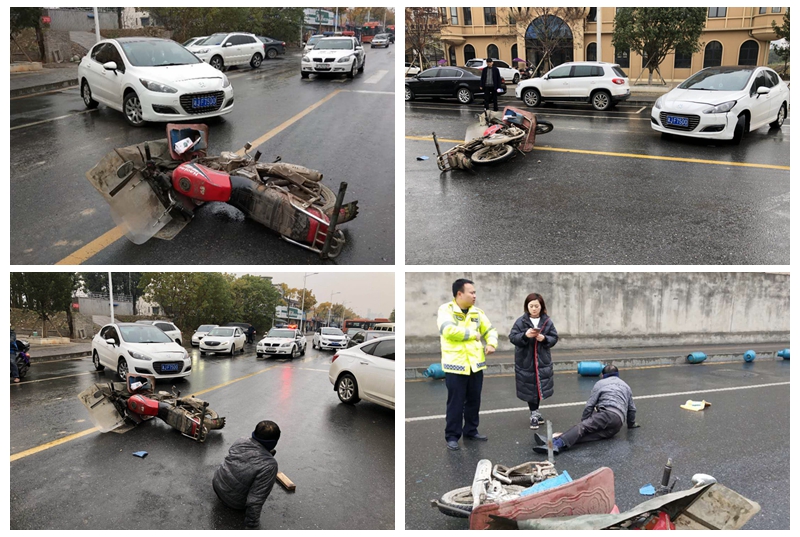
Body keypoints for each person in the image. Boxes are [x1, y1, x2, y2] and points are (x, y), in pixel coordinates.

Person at [438, 278, 499, 451]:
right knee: (455, 403)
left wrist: (491, 343)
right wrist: (473, 334)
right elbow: (448, 330)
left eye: (474, 293)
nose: (474, 296)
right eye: (471, 292)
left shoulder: (477, 313)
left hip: (475, 365)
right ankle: (452, 436)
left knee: (474, 401)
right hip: (455, 365)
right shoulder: (446, 310)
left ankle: (471, 430)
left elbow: (490, 330)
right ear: (459, 294)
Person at [533, 364, 639, 455]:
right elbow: (632, 409)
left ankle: (555, 444)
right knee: (587, 435)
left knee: (582, 428)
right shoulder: (626, 386)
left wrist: (584, 423)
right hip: (617, 424)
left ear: (603, 375)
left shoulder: (600, 383)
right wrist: (631, 424)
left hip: (607, 414)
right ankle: (554, 442)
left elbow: (590, 405)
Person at [213, 421, 280, 529]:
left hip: (217, 484)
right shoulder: (269, 466)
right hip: (233, 501)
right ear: (273, 442)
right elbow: (256, 499)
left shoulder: (241, 441)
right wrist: (251, 527)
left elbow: (244, 460)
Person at [508, 293, 558, 430]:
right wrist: (525, 335)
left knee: (539, 388)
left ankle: (535, 412)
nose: (534, 309)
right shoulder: (521, 321)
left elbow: (554, 337)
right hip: (526, 361)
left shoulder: (547, 321)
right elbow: (512, 337)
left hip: (542, 361)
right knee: (530, 388)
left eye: (536, 306)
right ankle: (534, 414)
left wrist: (544, 338)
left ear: (541, 307)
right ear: (527, 307)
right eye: (531, 306)